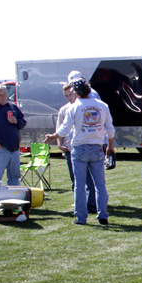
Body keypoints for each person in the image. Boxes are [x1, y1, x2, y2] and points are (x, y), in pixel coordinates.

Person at [44, 79, 115, 225]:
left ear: (76, 93)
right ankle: (103, 215)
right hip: (97, 146)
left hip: (79, 147)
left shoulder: (74, 107)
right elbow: (110, 129)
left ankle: (81, 218)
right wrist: (111, 147)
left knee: (79, 185)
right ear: (89, 90)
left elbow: (65, 129)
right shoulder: (103, 106)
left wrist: (53, 137)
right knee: (100, 184)